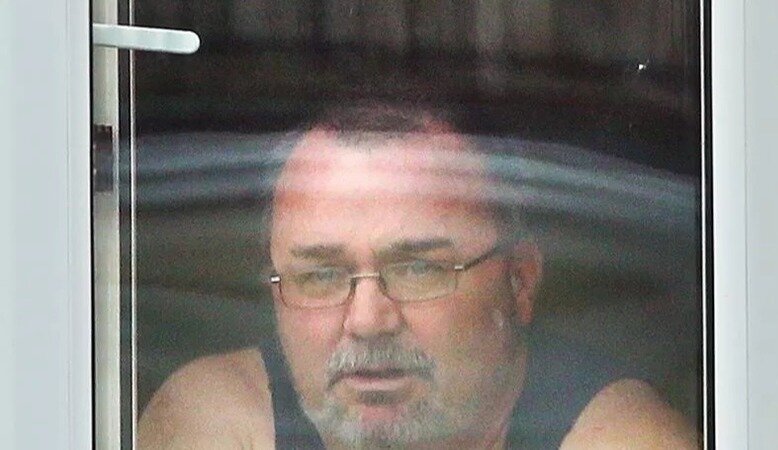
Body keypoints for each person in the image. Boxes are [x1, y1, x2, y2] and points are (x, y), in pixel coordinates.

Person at [137, 102, 698, 449]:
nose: (367, 320)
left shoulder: (625, 440)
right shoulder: (220, 417)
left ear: (519, 282)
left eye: (417, 269)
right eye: (321, 276)